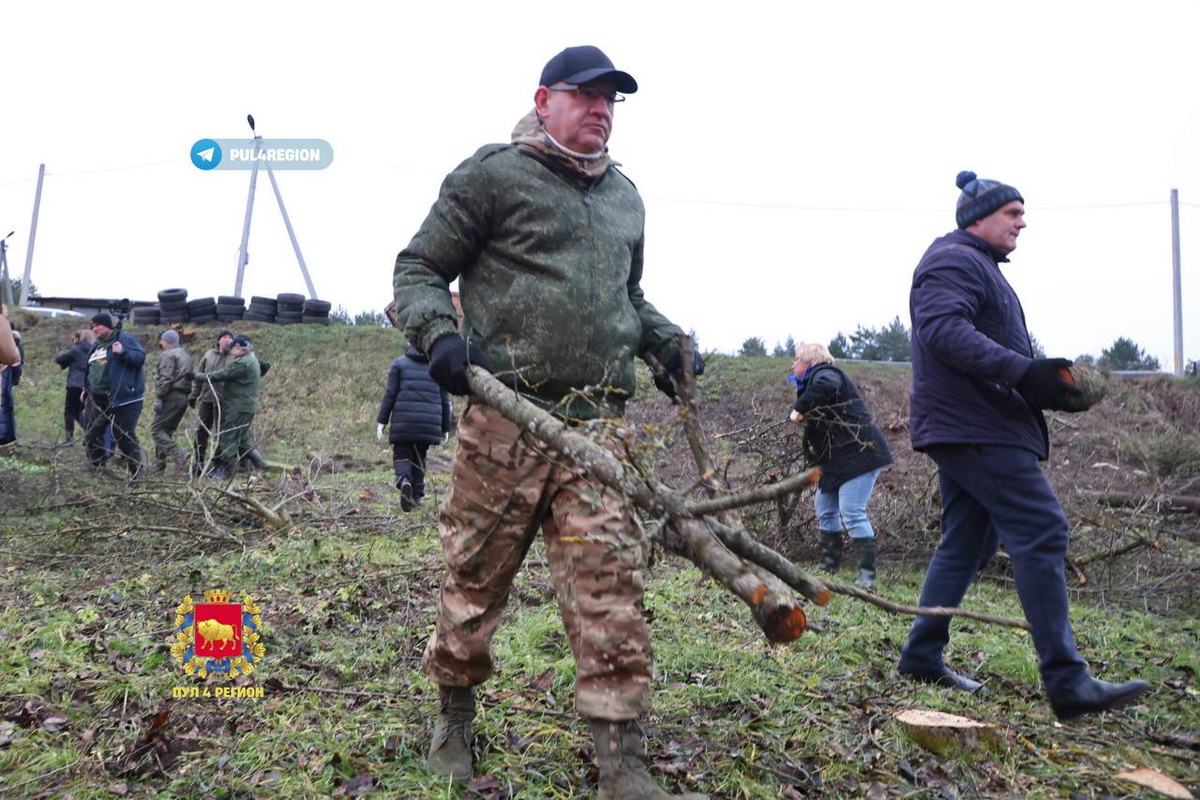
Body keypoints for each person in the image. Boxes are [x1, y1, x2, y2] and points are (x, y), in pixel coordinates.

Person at [393, 45, 707, 799]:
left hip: (599, 431)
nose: (600, 110)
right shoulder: (492, 175)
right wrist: (437, 333)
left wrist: (666, 343)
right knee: (474, 577)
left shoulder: (625, 196)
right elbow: (418, 268)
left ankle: (619, 759)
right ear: (544, 100)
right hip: (507, 418)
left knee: (611, 588)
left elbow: (626, 299)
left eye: (611, 101)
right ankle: (454, 718)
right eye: (586, 95)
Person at [897, 170, 1150, 719]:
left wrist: (1038, 382)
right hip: (977, 425)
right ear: (978, 217)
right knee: (1042, 528)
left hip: (973, 423)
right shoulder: (953, 260)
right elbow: (943, 330)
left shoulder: (976, 265)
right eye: (1012, 212)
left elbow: (976, 340)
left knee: (967, 540)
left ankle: (920, 654)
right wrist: (1023, 372)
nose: (1022, 221)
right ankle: (1068, 681)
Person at [789, 342, 892, 590]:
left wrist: (798, 409)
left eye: (796, 360)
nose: (793, 365)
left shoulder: (826, 374)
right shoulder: (811, 382)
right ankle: (829, 564)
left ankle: (867, 575)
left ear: (809, 362)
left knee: (852, 511)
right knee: (824, 508)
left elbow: (827, 387)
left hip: (861, 452)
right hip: (836, 458)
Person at [376, 343, 452, 512]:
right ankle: (416, 496)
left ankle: (404, 481)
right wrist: (445, 427)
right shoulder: (437, 367)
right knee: (419, 458)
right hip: (429, 423)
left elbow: (390, 393)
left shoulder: (399, 364)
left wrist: (382, 421)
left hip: (404, 421)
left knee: (403, 454)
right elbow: (445, 398)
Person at [83, 312, 146, 479]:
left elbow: (140, 358)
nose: (94, 329)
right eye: (92, 326)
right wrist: (86, 388)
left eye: (97, 325)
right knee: (91, 433)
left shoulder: (124, 339)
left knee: (123, 435)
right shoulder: (96, 346)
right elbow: (92, 370)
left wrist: (123, 352)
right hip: (98, 399)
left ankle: (137, 473)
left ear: (107, 325)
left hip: (125, 397)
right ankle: (98, 468)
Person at [194, 334, 259, 480]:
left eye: (232, 349)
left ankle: (225, 471)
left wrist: (197, 376)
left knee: (229, 437)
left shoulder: (242, 363)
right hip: (244, 405)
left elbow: (223, 374)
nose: (230, 352)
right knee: (241, 436)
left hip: (238, 406)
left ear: (238, 347)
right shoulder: (251, 359)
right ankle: (259, 464)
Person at [150, 329, 193, 473]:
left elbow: (165, 378)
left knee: (157, 430)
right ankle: (159, 465)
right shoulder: (185, 354)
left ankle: (178, 454)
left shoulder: (168, 355)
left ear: (166, 341)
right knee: (166, 431)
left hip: (171, 395)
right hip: (184, 396)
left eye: (162, 341)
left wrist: (159, 396)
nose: (160, 344)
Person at [189, 330, 233, 473]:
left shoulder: (234, 357)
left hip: (224, 401)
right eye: (224, 337)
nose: (227, 340)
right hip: (207, 399)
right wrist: (193, 395)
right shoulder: (208, 355)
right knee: (201, 431)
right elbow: (199, 376)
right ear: (219, 340)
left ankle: (219, 463)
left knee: (221, 432)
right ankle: (199, 461)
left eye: (230, 338)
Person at [55, 328, 95, 445]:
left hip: (74, 384)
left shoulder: (76, 349)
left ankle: (69, 438)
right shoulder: (93, 350)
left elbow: (60, 359)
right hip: (87, 385)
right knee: (80, 412)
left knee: (69, 411)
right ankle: (89, 435)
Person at [0, 329, 24, 446]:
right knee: (7, 407)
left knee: (4, 407)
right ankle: (8, 437)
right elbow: (18, 368)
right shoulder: (16, 348)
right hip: (7, 381)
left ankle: (3, 437)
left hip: (4, 380)